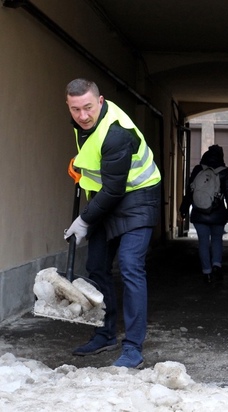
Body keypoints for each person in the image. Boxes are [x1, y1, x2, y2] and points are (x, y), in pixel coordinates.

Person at [63, 78, 161, 369]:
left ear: (101, 101)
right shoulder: (83, 122)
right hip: (107, 197)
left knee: (131, 266)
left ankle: (132, 347)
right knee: (96, 266)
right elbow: (98, 162)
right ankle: (105, 333)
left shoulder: (116, 132)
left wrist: (83, 220)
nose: (82, 116)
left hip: (138, 199)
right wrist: (79, 165)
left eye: (88, 108)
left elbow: (115, 189)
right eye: (75, 109)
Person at [180, 145, 228, 283]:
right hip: (218, 214)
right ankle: (216, 265)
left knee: (203, 243)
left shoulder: (198, 169)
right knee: (217, 240)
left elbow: (190, 191)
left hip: (199, 213)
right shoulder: (225, 171)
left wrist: (183, 209)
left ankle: (207, 272)